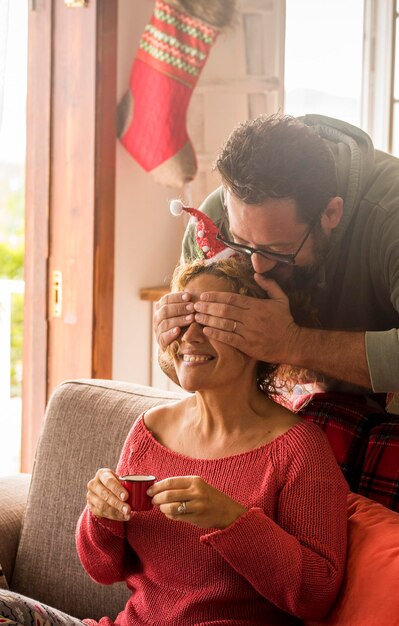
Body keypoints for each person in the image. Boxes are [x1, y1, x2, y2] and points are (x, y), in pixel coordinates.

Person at [0, 256, 348, 626]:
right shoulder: (151, 430)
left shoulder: (298, 449)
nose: (189, 337)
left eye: (210, 321)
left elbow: (316, 595)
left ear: (258, 333)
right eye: (182, 319)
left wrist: (232, 519)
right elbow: (103, 570)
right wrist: (101, 516)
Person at [154, 113, 399, 502]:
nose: (256, 266)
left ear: (331, 213)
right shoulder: (217, 215)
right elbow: (189, 363)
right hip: (303, 428)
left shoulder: (391, 213)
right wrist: (172, 344)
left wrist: (292, 343)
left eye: (276, 252)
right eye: (241, 243)